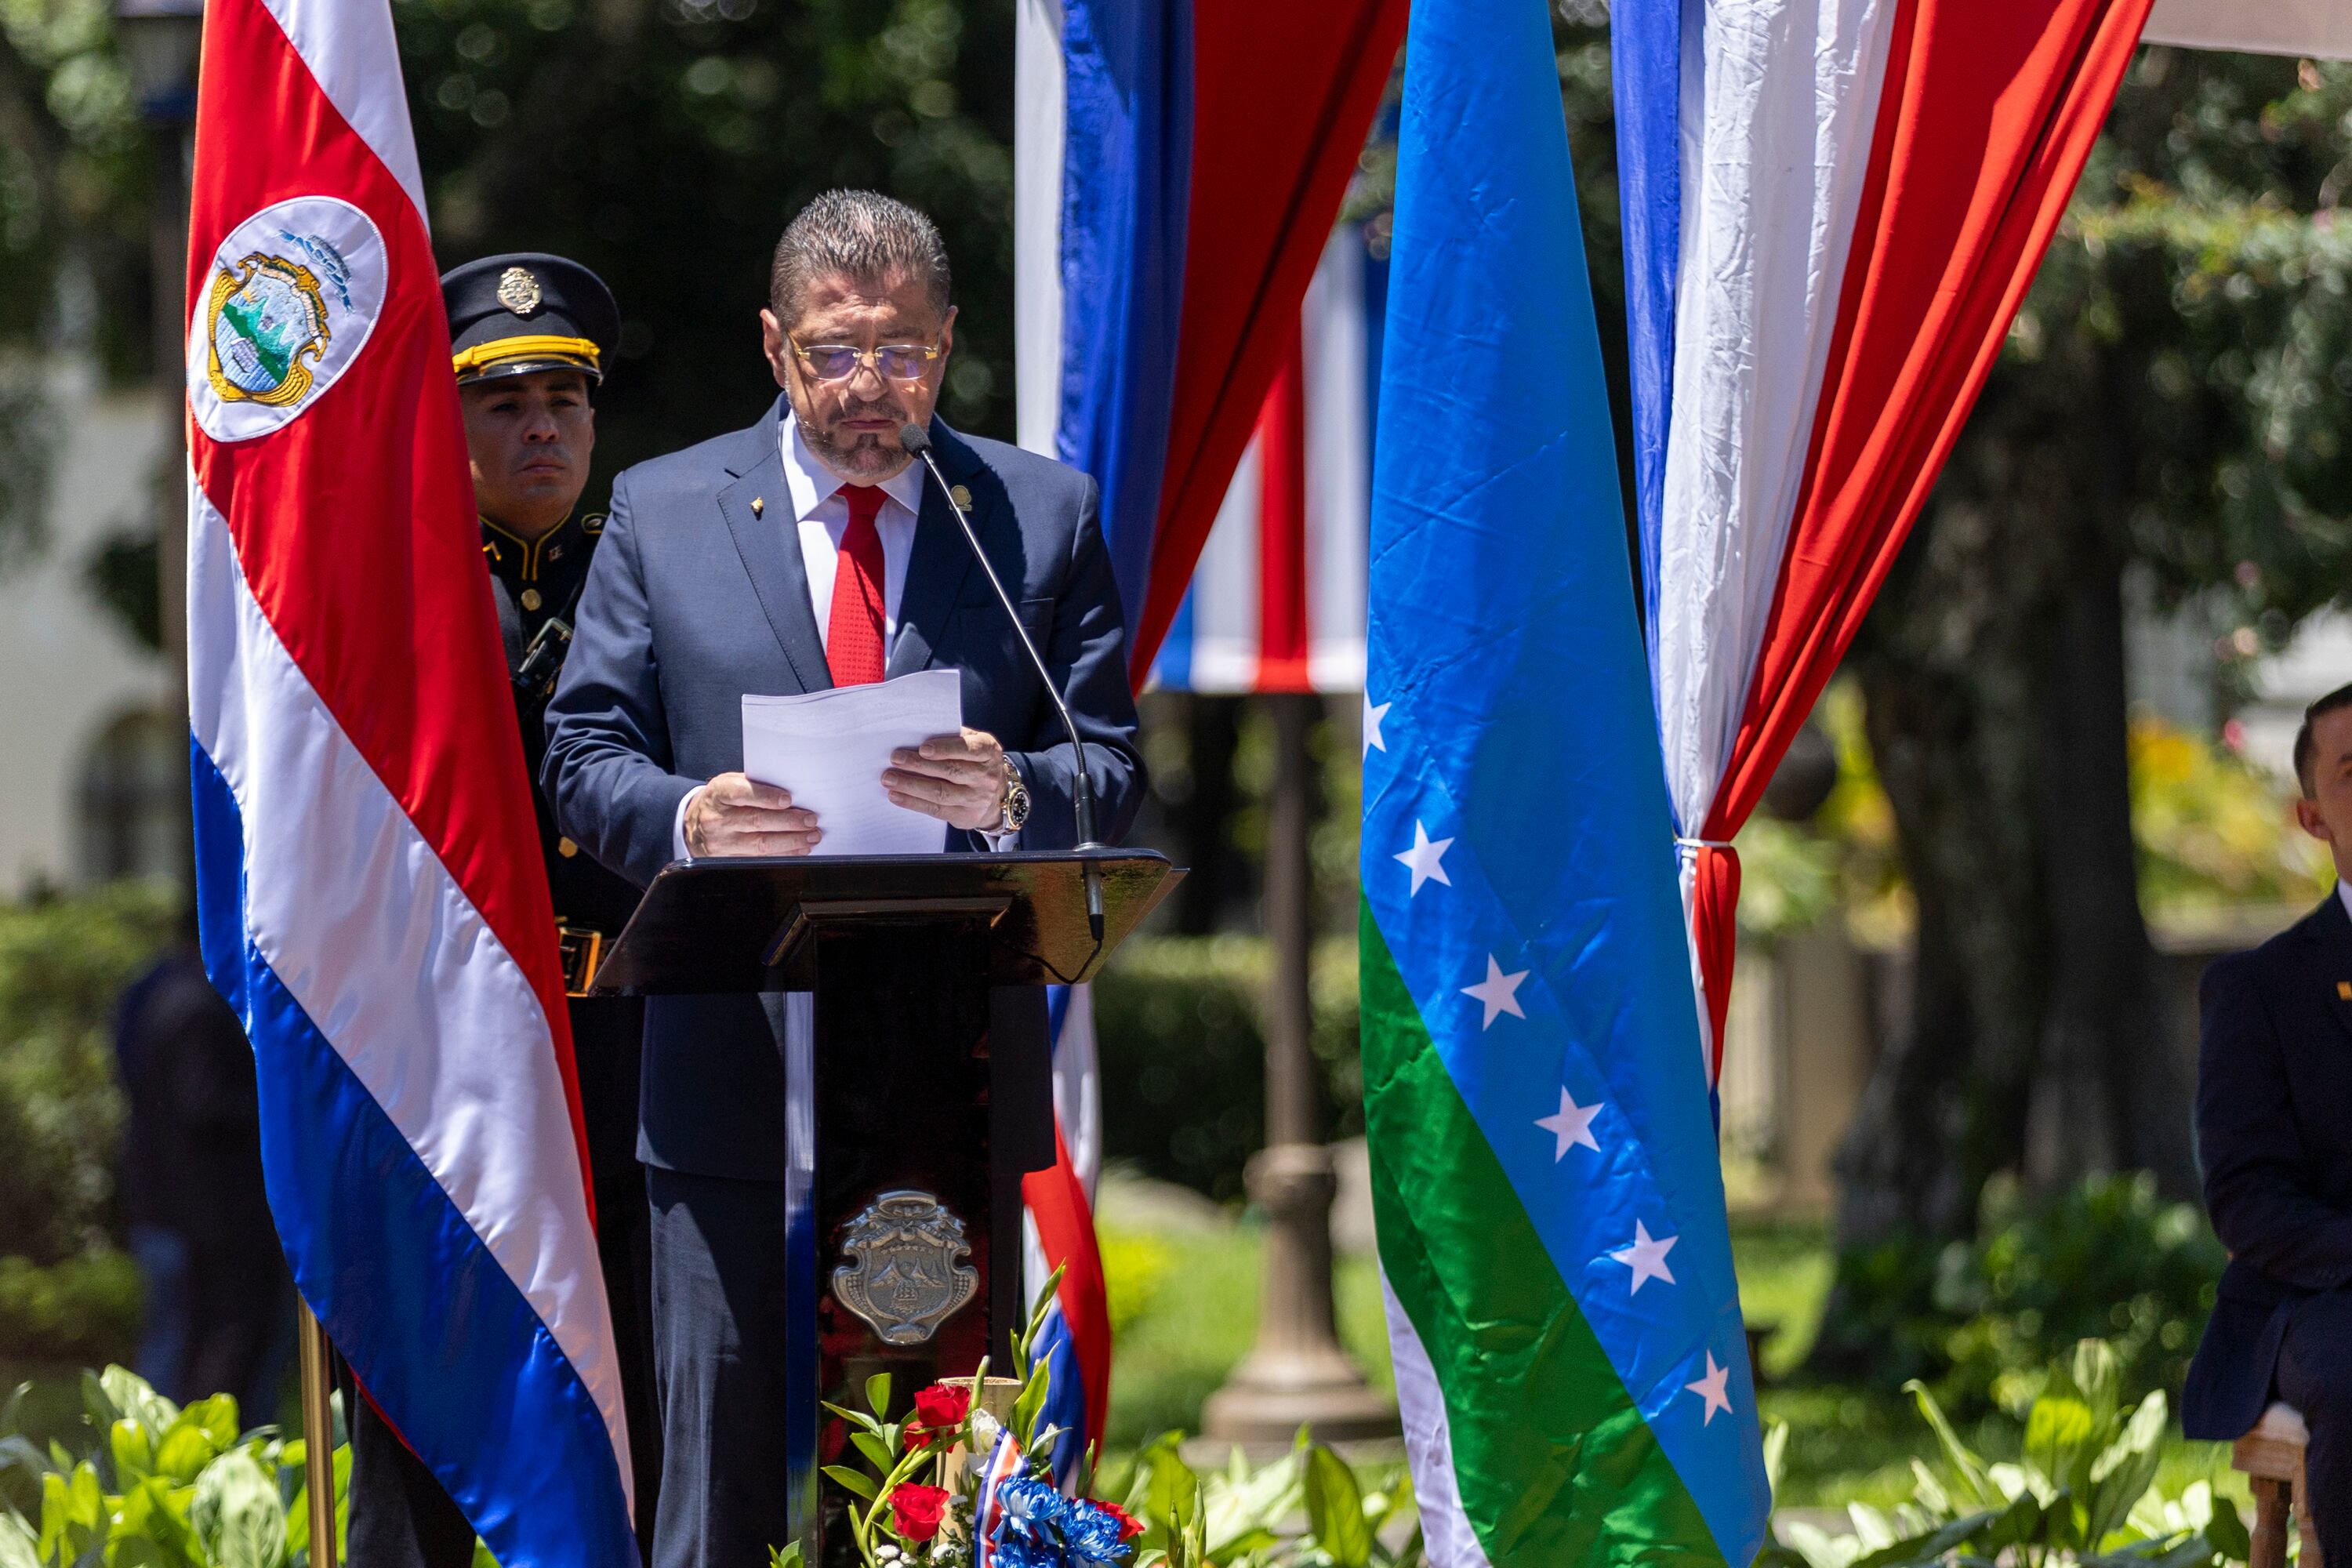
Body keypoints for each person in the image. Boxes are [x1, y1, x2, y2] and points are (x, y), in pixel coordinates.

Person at [541, 189, 1144, 1567]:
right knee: (720, 1503)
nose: (870, 384)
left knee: (926, 1502)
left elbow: (1110, 767)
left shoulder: (1035, 516)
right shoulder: (666, 509)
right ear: (775, 345)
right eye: (834, 351)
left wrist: (1015, 790)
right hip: (725, 1078)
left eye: (903, 350)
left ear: (949, 342)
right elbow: (581, 756)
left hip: (944, 1083)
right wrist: (690, 815)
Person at [339, 253, 662, 1566]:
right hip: (450, 1064)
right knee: (430, 1411)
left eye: (564, 402)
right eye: (505, 403)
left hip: (623, 1052)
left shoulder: (647, 585)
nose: (542, 430)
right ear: (449, 420)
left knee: (631, 1403)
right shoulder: (392, 589)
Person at [2185, 678, 2352, 1557]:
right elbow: (2246, 1202)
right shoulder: (2260, 989)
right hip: (2325, 1295)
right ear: (2312, 818)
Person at [114, 930, 290, 1417]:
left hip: (166, 1206)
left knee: (178, 1339)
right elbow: (203, 1103)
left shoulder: (154, 989)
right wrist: (283, 1106)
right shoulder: (202, 1006)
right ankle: (192, 1446)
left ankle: (161, 1445)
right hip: (207, 1216)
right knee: (203, 1344)